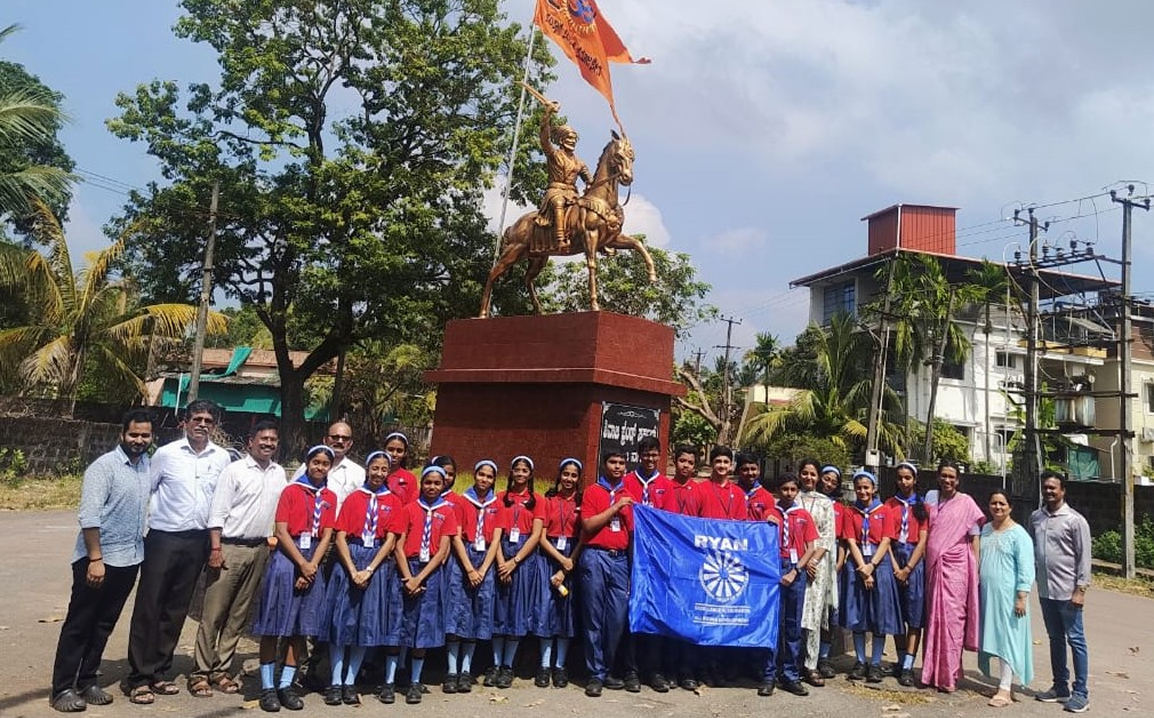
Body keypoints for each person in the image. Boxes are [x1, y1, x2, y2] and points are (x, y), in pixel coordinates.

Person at [123, 399, 231, 705]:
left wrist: (213, 545)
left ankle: (159, 670)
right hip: (163, 538)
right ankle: (139, 677)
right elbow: (147, 491)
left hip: (197, 541)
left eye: (208, 420)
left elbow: (221, 502)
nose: (202, 424)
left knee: (176, 609)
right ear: (185, 422)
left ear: (215, 425)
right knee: (150, 605)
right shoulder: (166, 455)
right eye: (197, 418)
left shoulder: (222, 459)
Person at [49, 410, 154, 713]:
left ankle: (87, 680)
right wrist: (96, 558)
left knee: (104, 624)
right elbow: (89, 516)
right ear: (122, 434)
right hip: (97, 560)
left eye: (144, 435)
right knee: (79, 624)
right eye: (133, 434)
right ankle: (63, 688)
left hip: (129, 559)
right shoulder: (103, 468)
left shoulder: (146, 465)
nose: (138, 440)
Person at [191, 420, 286, 699]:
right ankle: (200, 673)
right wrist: (216, 549)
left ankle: (221, 669)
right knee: (214, 613)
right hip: (229, 548)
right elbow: (217, 513)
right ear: (250, 442)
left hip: (259, 550)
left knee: (239, 615)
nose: (268, 444)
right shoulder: (234, 471)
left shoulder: (279, 474)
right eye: (263, 439)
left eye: (272, 440)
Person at [252, 444, 338, 712]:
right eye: (315, 462)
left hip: (312, 560)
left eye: (325, 464)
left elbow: (326, 534)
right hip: (287, 560)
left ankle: (286, 684)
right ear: (307, 463)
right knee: (273, 626)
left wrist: (312, 566)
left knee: (299, 630)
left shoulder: (330, 497)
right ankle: (267, 686)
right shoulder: (291, 491)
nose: (319, 467)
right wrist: (301, 563)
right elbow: (281, 529)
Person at [324, 451, 406, 706]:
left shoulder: (393, 502)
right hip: (351, 558)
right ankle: (335, 681)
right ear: (367, 469)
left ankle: (350, 681)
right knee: (341, 622)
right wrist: (352, 569)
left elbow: (391, 540)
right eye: (375, 468)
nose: (379, 473)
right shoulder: (353, 499)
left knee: (365, 624)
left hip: (376, 564)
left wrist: (369, 570)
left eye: (384, 469)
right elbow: (340, 536)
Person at [395, 465, 459, 704]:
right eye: (428, 482)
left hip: (429, 574)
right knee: (402, 623)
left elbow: (443, 550)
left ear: (444, 485)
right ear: (421, 484)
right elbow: (398, 545)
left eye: (437, 483)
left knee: (422, 627)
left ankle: (414, 681)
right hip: (407, 568)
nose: (432, 487)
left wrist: (420, 579)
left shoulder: (447, 512)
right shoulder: (409, 509)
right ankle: (392, 679)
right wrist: (408, 577)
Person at [1029, 473, 1091, 713]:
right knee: (1055, 639)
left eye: (1053, 488)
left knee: (1076, 640)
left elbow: (1084, 558)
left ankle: (1081, 692)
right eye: (1046, 487)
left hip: (1069, 592)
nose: (1049, 492)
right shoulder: (1036, 517)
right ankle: (1060, 687)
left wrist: (1081, 589)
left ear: (1063, 491)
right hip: (1046, 591)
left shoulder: (1075, 520)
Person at [920, 460, 984, 693]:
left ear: (957, 480)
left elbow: (975, 537)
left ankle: (949, 675)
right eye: (944, 475)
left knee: (953, 621)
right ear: (938, 477)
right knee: (934, 620)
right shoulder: (930, 497)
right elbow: (926, 528)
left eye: (952, 477)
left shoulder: (966, 503)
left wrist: (975, 570)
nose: (947, 480)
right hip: (934, 567)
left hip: (957, 568)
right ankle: (931, 673)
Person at [444, 460, 504, 695]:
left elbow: (496, 538)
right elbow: (456, 536)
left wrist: (483, 569)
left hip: (485, 562)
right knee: (457, 613)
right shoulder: (461, 501)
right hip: (463, 560)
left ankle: (466, 670)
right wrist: (469, 568)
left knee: (477, 615)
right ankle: (451, 670)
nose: (484, 480)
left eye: (489, 477)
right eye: (481, 475)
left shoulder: (496, 504)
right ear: (474, 475)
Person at [579, 447, 634, 697]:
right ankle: (595, 673)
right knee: (593, 616)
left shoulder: (629, 494)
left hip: (620, 560)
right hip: (595, 556)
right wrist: (615, 508)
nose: (618, 466)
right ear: (604, 464)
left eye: (622, 463)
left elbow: (633, 532)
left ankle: (608, 667)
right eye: (613, 462)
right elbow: (588, 525)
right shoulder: (593, 492)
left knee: (616, 619)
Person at [839, 470, 902, 683]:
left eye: (866, 487)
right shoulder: (851, 512)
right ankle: (859, 661)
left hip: (879, 563)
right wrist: (862, 568)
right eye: (859, 488)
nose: (863, 491)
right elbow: (850, 541)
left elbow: (886, 540)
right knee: (859, 615)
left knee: (878, 615)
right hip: (857, 565)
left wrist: (872, 566)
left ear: (873, 489)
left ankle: (875, 662)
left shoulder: (884, 510)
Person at [490, 455, 546, 689]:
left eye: (525, 470)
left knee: (517, 611)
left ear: (530, 475)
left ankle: (508, 665)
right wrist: (502, 562)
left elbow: (535, 535)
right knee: (499, 610)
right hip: (501, 553)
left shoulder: (537, 500)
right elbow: (495, 533)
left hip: (523, 558)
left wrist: (515, 561)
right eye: (517, 470)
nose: (521, 474)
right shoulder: (501, 498)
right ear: (511, 473)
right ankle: (494, 663)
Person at [622, 436, 672, 692]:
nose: (650, 459)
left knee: (655, 609)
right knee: (632, 608)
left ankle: (654, 670)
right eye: (646, 455)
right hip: (631, 550)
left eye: (655, 455)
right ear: (639, 455)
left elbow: (671, 520)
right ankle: (630, 669)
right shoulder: (627, 482)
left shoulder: (666, 485)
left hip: (657, 556)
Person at [978, 490, 1035, 708]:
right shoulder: (985, 530)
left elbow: (1026, 567)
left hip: (1008, 596)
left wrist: (1022, 595)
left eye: (1002, 504)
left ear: (1010, 507)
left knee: (1008, 639)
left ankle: (1005, 688)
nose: (997, 507)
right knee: (992, 637)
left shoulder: (1019, 534)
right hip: (987, 595)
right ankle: (1002, 683)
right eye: (994, 503)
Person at [659, 446, 707, 691]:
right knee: (670, 616)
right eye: (682, 461)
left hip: (691, 563)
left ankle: (687, 670)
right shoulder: (663, 488)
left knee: (690, 616)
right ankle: (668, 670)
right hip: (668, 561)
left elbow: (705, 527)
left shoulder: (699, 491)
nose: (686, 465)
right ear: (674, 462)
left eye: (690, 462)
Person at [770, 472, 820, 697]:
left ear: (797, 491)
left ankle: (790, 674)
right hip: (774, 569)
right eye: (784, 489)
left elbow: (810, 547)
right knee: (773, 624)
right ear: (778, 490)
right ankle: (769, 673)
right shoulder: (770, 513)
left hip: (795, 570)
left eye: (793, 489)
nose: (789, 493)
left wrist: (796, 570)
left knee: (792, 624)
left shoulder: (803, 515)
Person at [537, 458, 584, 688]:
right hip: (550, 558)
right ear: (559, 475)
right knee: (547, 611)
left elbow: (583, 537)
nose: (569, 479)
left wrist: (568, 563)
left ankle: (560, 665)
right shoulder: (548, 501)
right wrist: (560, 560)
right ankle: (544, 665)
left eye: (574, 475)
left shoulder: (581, 503)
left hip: (572, 559)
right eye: (566, 474)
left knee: (566, 614)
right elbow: (541, 536)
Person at [884, 461, 929, 687]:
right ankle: (900, 661)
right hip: (893, 559)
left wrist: (908, 569)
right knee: (896, 614)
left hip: (914, 562)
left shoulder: (922, 507)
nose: (904, 482)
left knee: (914, 616)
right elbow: (886, 540)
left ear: (915, 480)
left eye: (908, 478)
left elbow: (923, 540)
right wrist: (895, 567)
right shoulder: (889, 505)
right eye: (900, 477)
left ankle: (909, 666)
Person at [796, 459, 838, 688]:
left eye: (813, 474)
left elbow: (828, 535)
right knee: (794, 612)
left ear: (818, 476)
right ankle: (791, 661)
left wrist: (813, 559)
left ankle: (810, 664)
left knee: (813, 613)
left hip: (817, 566)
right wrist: (803, 558)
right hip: (795, 562)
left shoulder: (825, 503)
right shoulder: (792, 497)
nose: (809, 478)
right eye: (805, 473)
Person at [534, 99, 592, 252]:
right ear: (561, 140)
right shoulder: (554, 155)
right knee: (559, 202)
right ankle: (560, 239)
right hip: (556, 192)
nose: (572, 142)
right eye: (569, 138)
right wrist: (547, 113)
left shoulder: (580, 163)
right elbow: (544, 139)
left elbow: (590, 180)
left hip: (573, 195)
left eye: (574, 139)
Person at [292, 421, 365, 510]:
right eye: (335, 437)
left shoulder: (358, 472)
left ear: (350, 443)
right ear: (325, 440)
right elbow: (291, 496)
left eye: (345, 438)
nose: (340, 441)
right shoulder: (306, 468)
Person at [816, 464, 846, 679]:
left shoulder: (840, 508)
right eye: (826, 479)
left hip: (832, 560)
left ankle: (824, 657)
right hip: (811, 556)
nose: (829, 484)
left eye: (833, 482)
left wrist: (838, 565)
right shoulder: (808, 501)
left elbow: (843, 540)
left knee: (829, 611)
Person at [383, 431, 418, 505]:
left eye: (399, 451)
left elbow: (411, 507)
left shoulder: (410, 479)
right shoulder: (375, 474)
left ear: (405, 453)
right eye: (390, 449)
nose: (394, 454)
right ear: (384, 450)